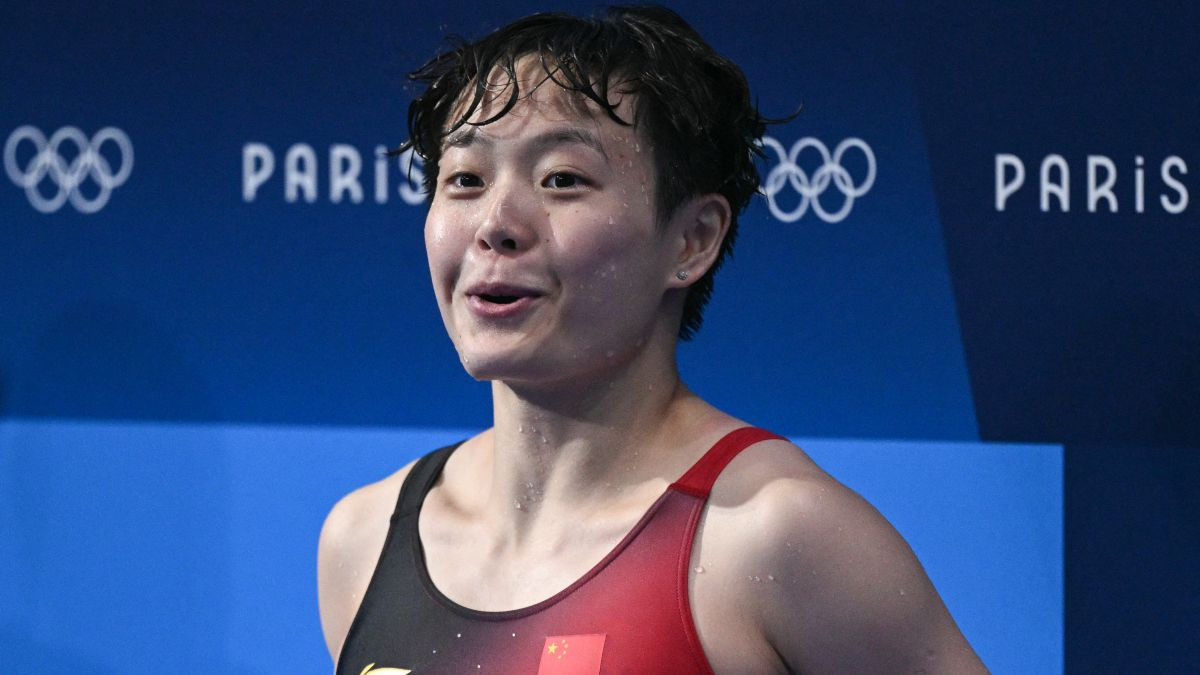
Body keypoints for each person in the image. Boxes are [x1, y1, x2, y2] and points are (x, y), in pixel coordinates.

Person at [318, 6, 986, 673]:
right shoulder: (364, 539)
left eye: (561, 179)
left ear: (692, 239)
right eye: (465, 178)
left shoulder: (774, 533)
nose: (496, 223)